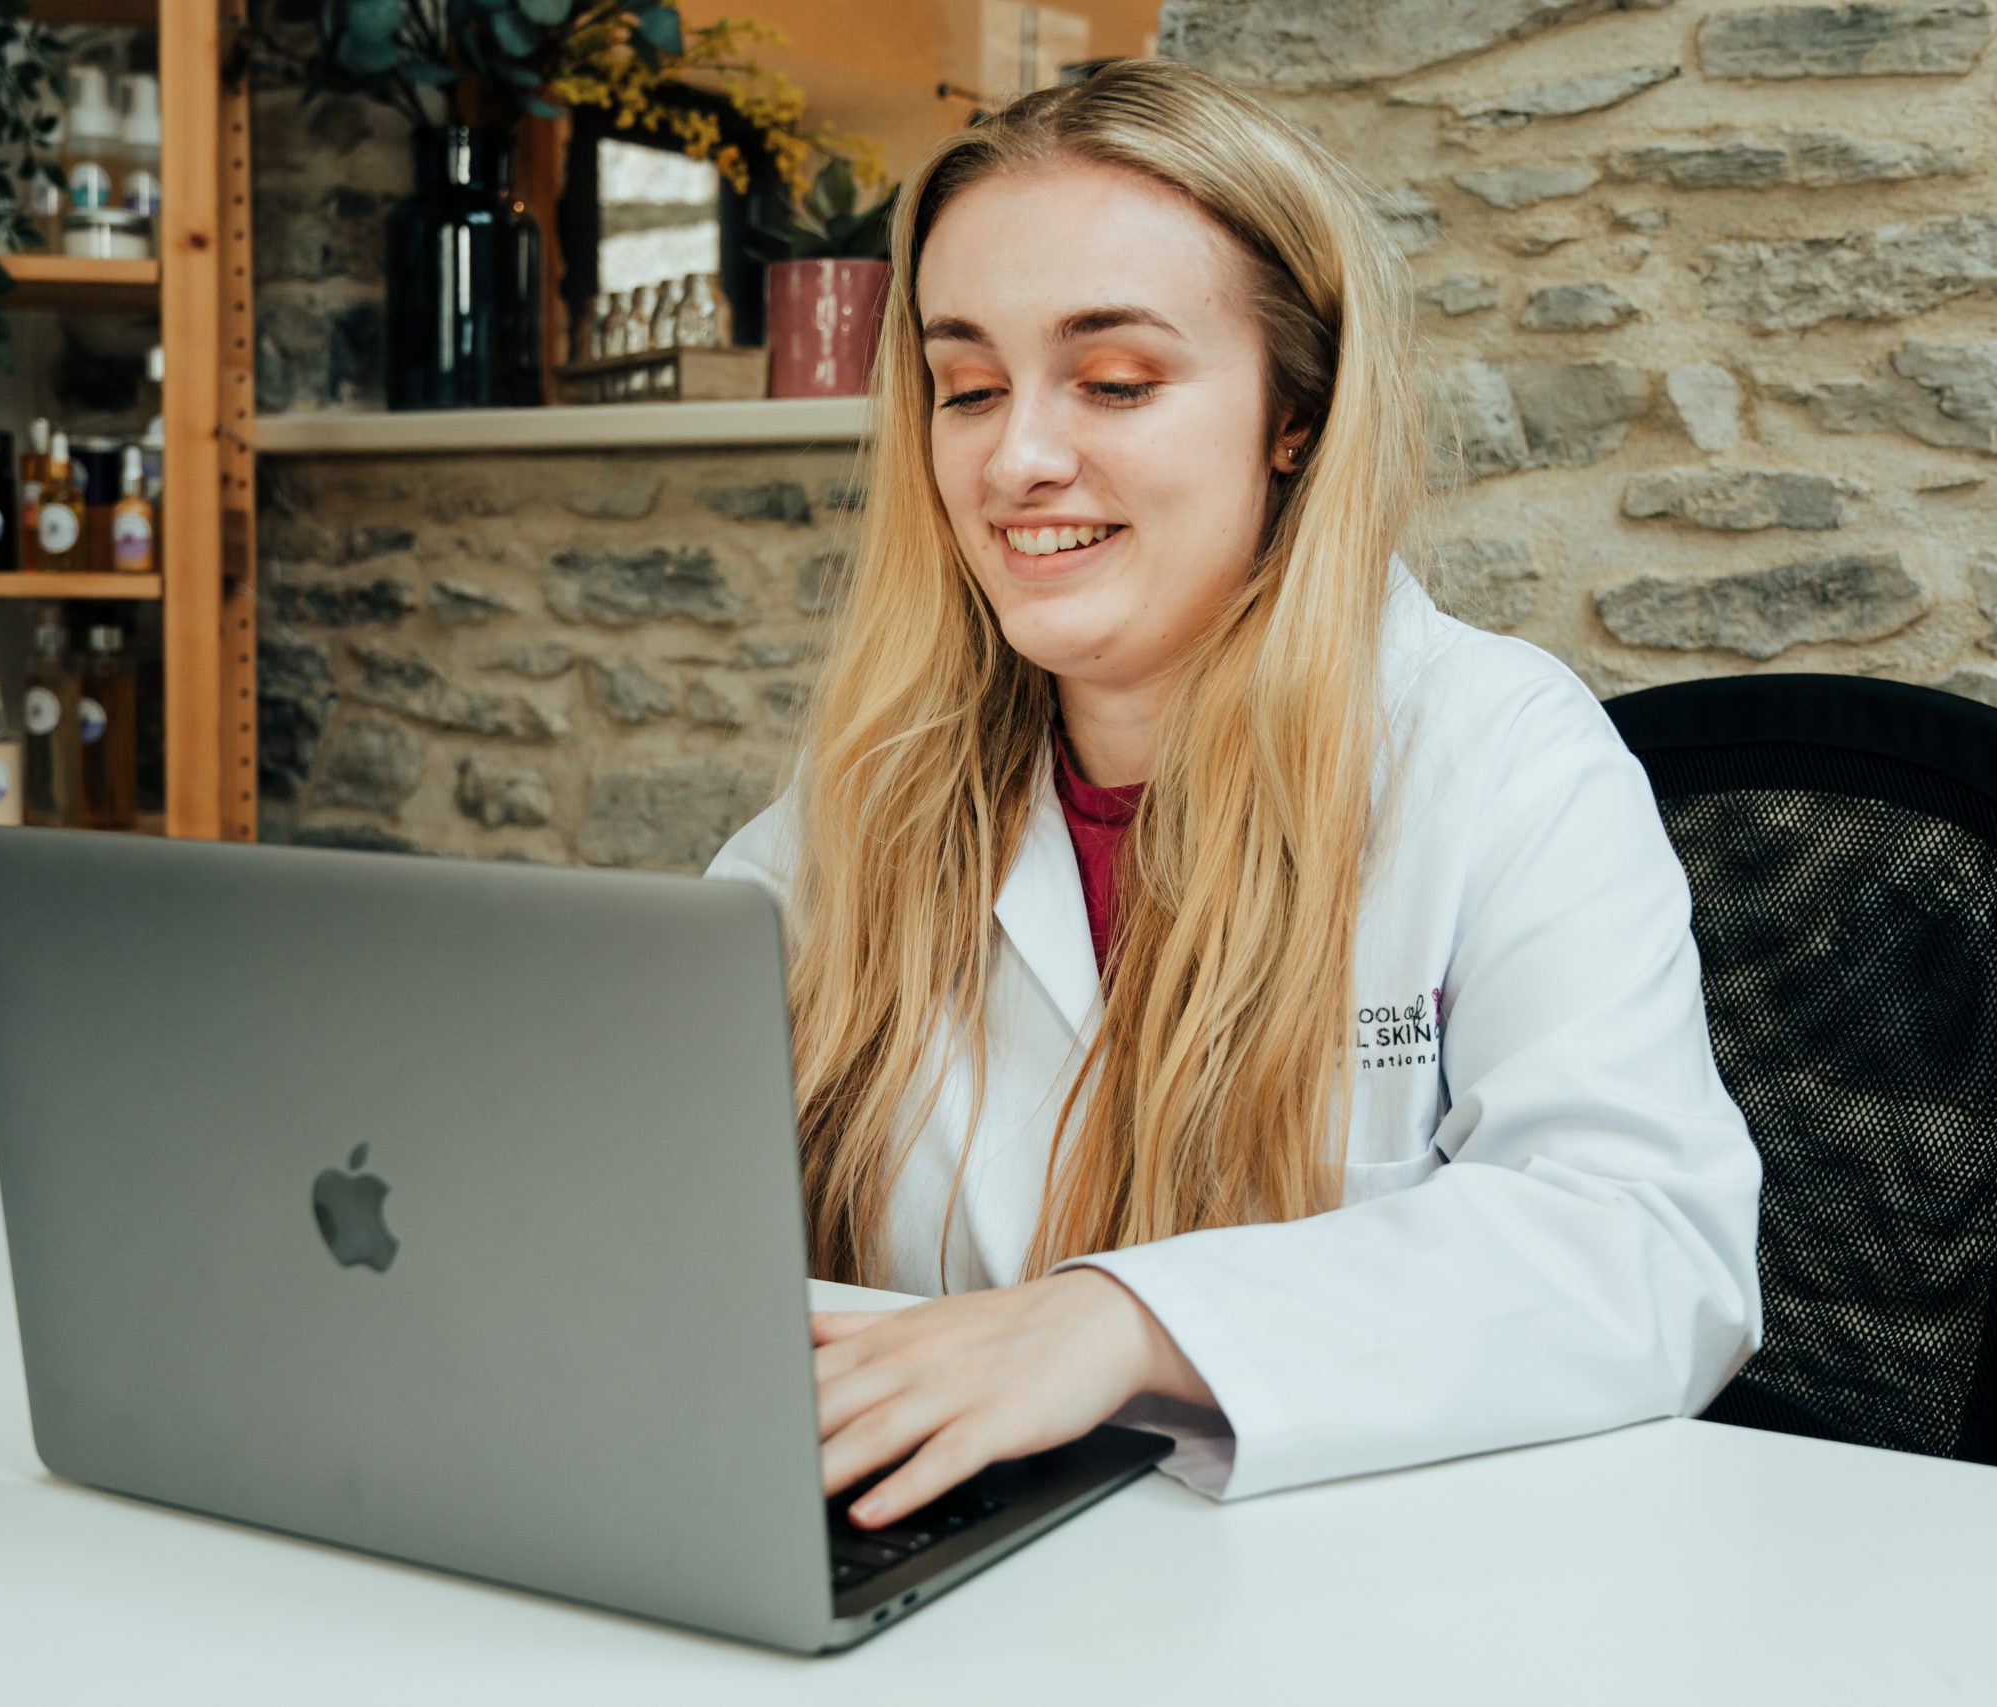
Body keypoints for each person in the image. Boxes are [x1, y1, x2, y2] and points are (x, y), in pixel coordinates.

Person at [706, 60, 1763, 1528]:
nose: (1017, 458)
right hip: (958, 1576)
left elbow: (1648, 1253)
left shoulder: (1498, 756)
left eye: (1117, 382)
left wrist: (1124, 1320)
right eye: (966, 387)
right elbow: (643, 1137)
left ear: (1295, 418)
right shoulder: (869, 796)